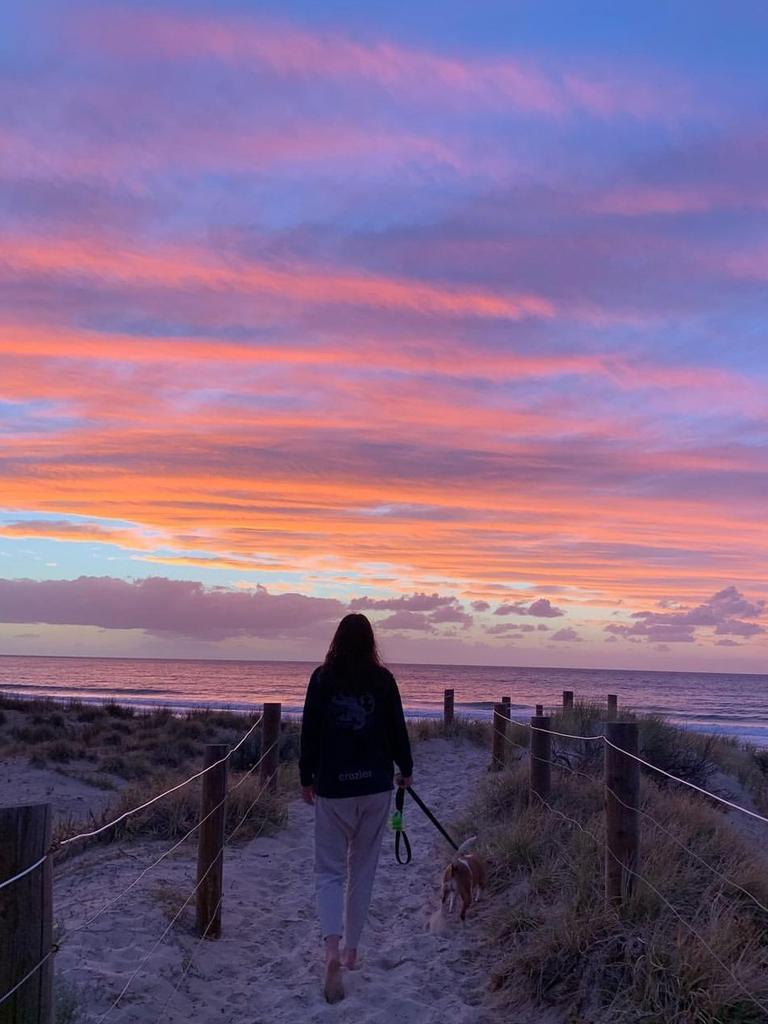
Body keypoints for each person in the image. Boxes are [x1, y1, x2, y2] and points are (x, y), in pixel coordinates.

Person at [299, 613, 413, 1003]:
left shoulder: (321, 678)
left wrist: (305, 777)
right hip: (375, 786)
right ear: (370, 642)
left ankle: (331, 949)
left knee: (329, 872)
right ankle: (351, 952)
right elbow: (397, 728)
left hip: (333, 788)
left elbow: (309, 729)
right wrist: (407, 769)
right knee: (362, 870)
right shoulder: (383, 680)